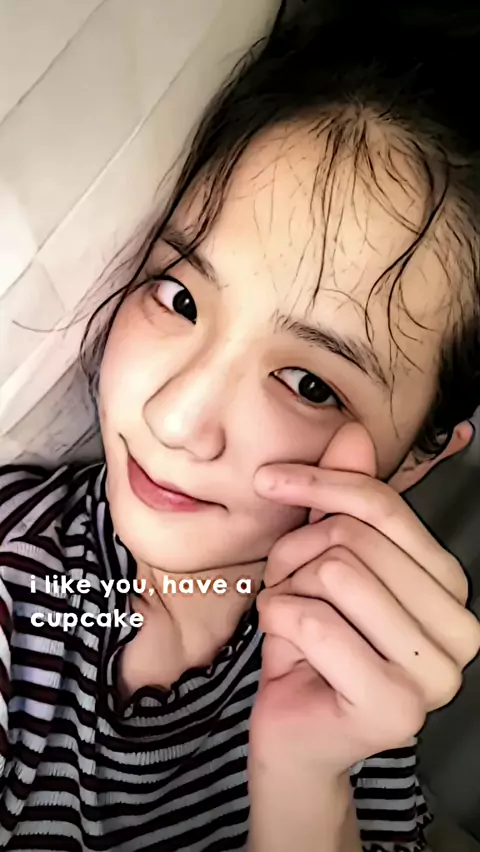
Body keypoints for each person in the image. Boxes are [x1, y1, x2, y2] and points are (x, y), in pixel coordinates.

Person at [1, 1, 480, 850]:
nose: (176, 418)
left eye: (309, 384)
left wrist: (303, 787)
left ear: (418, 455)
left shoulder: (358, 678)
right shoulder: (18, 581)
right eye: (178, 296)